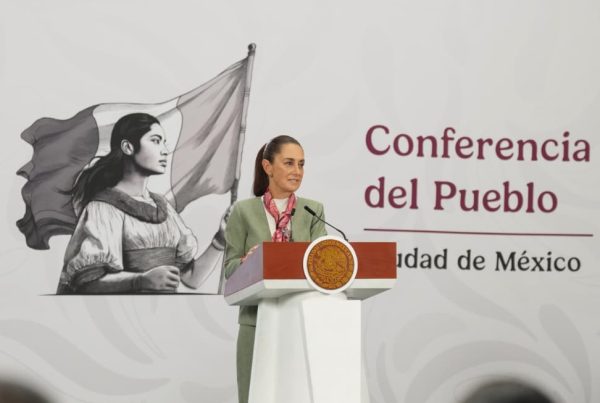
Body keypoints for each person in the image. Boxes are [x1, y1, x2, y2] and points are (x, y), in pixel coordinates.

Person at [56, 112, 224, 294]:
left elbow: (191, 278)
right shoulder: (103, 208)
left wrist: (221, 240)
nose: (165, 150)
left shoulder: (164, 208)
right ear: (128, 147)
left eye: (164, 142)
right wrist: (140, 281)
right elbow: (87, 284)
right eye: (156, 141)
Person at [224, 135, 327, 403]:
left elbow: (322, 265)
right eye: (289, 163)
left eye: (301, 164)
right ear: (267, 167)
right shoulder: (243, 211)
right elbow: (229, 271)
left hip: (301, 322)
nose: (297, 171)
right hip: (255, 322)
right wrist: (248, 263)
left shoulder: (313, 210)